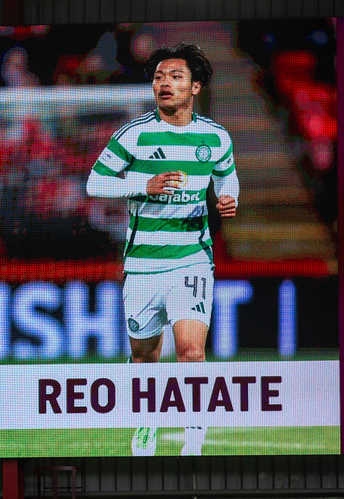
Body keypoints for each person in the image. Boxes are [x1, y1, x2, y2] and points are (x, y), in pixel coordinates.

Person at [85, 43, 240, 458]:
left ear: (195, 87)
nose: (164, 83)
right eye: (158, 77)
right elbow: (95, 184)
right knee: (144, 357)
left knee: (191, 350)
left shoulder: (215, 136)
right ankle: (146, 425)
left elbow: (227, 178)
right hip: (141, 265)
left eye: (174, 77)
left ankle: (194, 439)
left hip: (191, 259)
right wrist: (144, 184)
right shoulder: (132, 134)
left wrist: (228, 200)